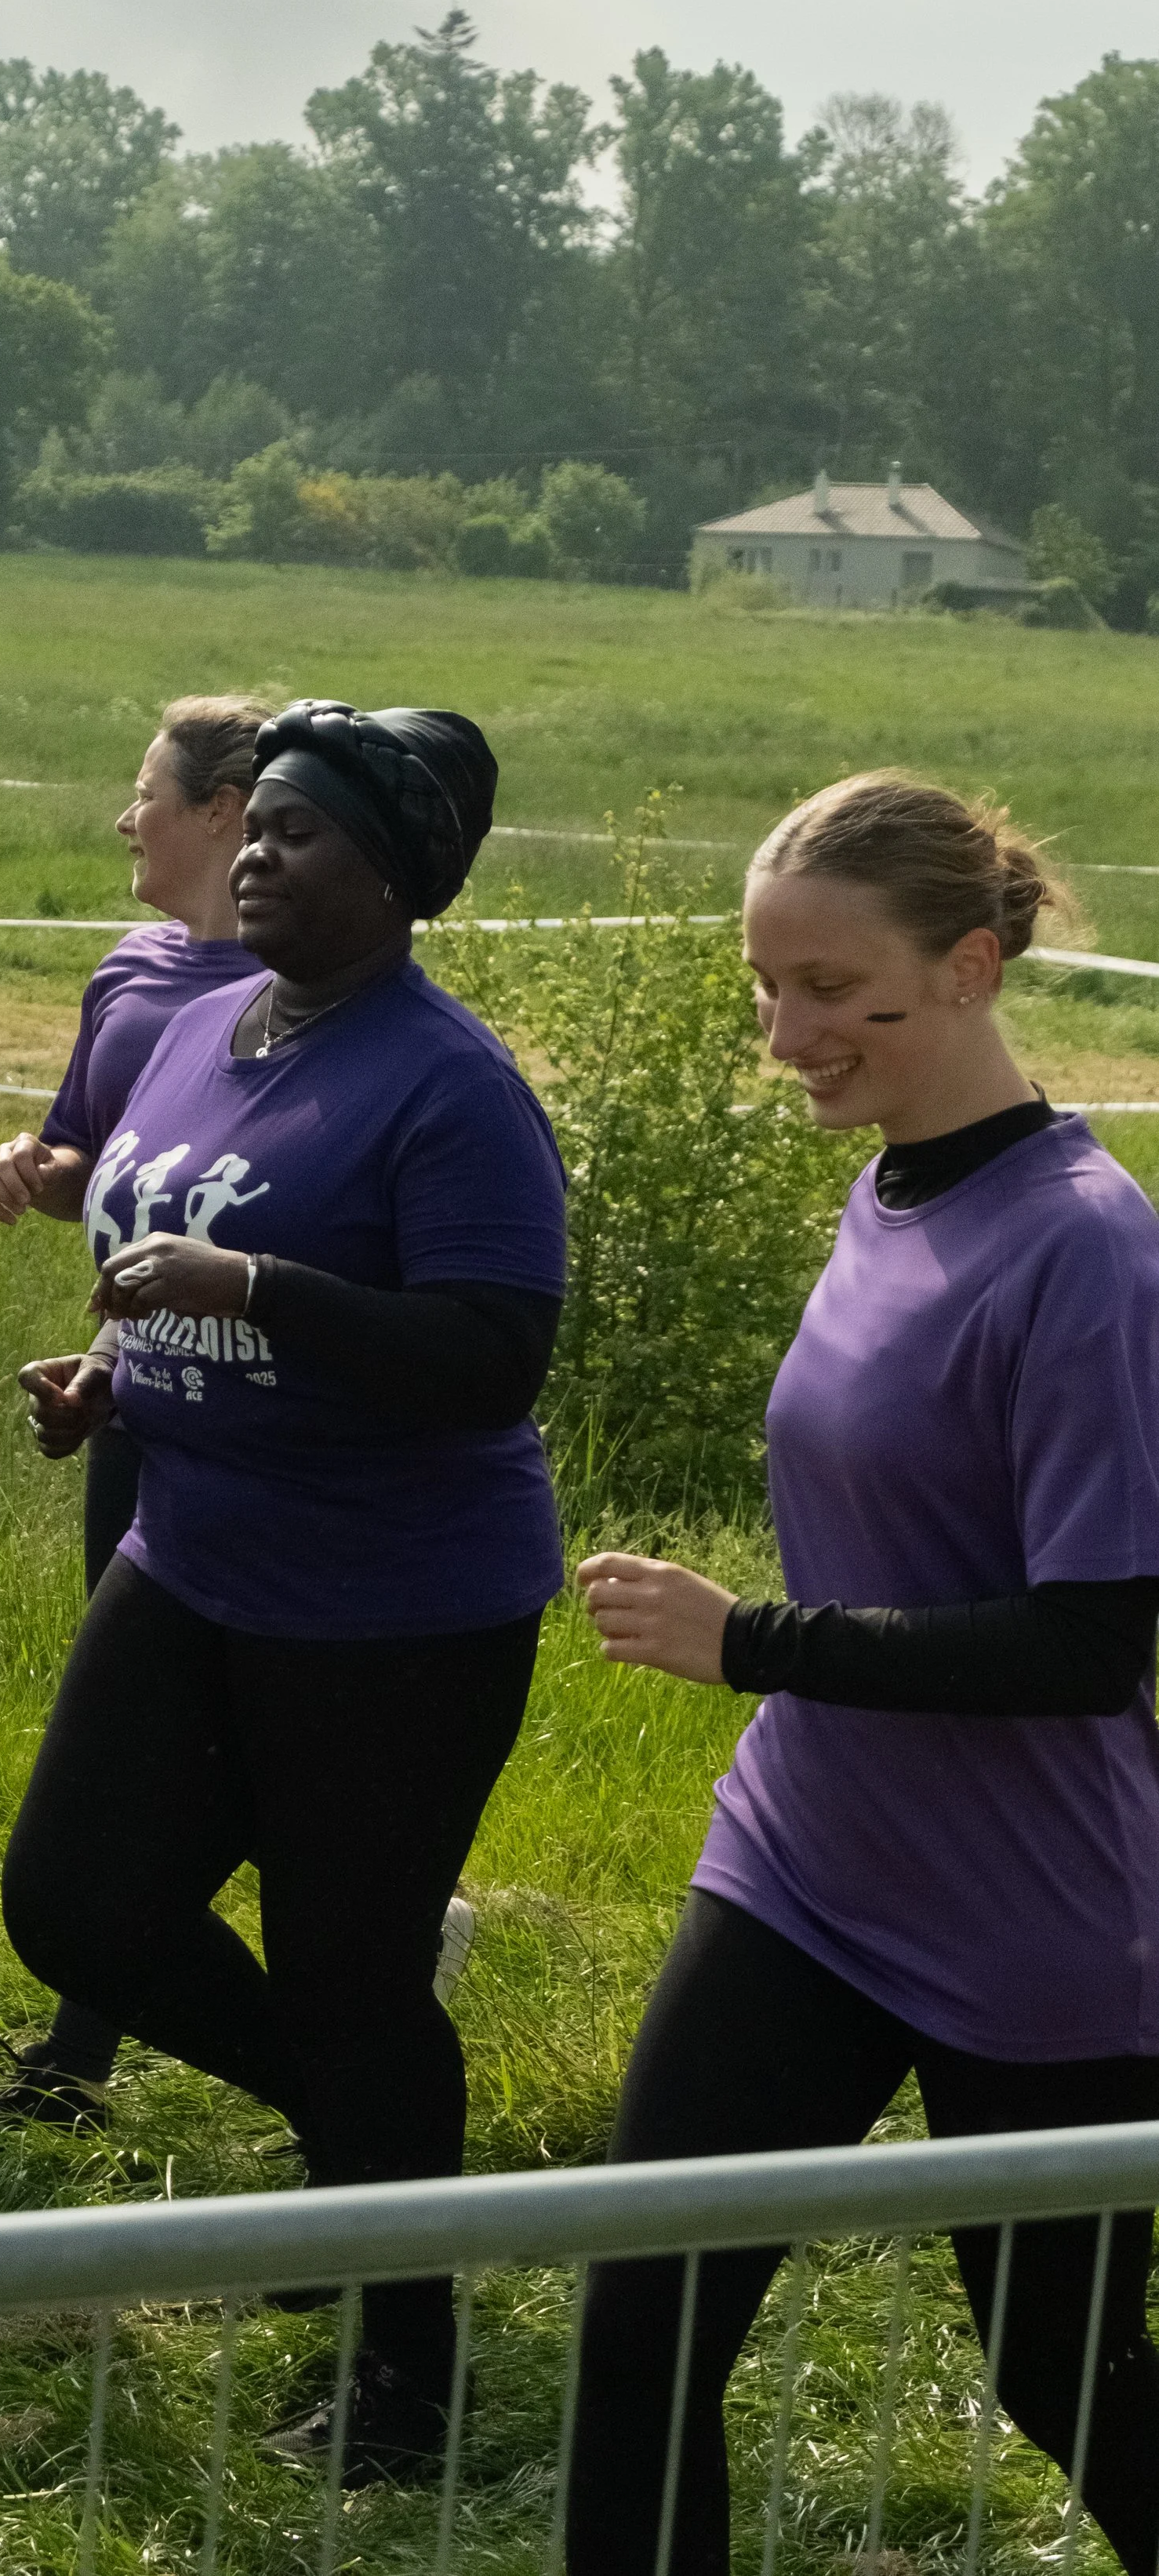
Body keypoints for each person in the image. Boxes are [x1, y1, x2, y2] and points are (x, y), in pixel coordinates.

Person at [567, 772, 1159, 2576]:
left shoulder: (1084, 1252)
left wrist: (746, 1639)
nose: (782, 1033)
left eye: (833, 990)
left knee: (1064, 2379)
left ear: (969, 967)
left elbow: (1086, 1644)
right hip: (802, 1872)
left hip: (1035, 1935)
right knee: (638, 2329)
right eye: (764, 985)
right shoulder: (890, 1188)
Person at [0, 699, 569, 2483]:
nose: (258, 852)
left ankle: (407, 2373)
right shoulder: (192, 1028)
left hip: (395, 1609)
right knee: (75, 1910)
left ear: (396, 880)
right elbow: (154, 1240)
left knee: (350, 1979)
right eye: (255, 825)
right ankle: (363, 2163)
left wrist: (251, 1295)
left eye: (305, 836)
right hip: (195, 1548)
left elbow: (487, 1358)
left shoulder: (448, 1086)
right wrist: (124, 1372)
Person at [0, 694, 269, 2130]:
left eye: (144, 790)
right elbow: (103, 1158)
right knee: (134, 1734)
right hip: (140, 1395)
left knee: (246, 1737)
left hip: (266, 1418)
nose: (123, 815)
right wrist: (40, 1163)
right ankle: (77, 2060)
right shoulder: (131, 969)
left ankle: (371, 1982)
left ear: (221, 809)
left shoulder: (301, 980)